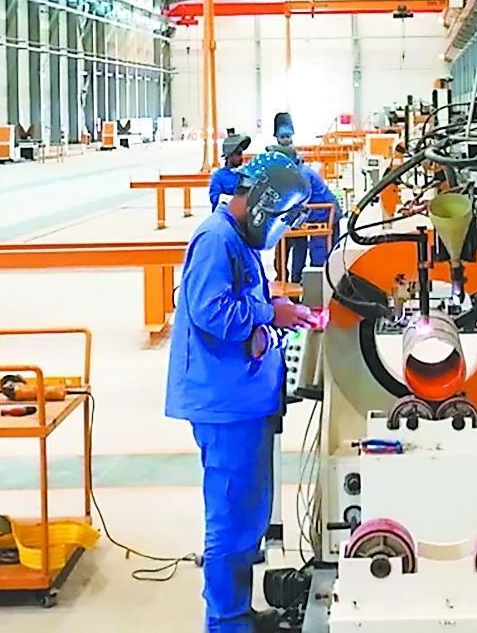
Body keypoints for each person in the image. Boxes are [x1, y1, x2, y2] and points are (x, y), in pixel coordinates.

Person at [166, 152, 315, 632]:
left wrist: (277, 309)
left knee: (248, 516)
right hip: (225, 404)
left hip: (245, 400)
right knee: (231, 520)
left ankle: (238, 612)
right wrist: (267, 317)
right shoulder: (217, 239)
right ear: (264, 205)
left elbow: (244, 301)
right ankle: (226, 621)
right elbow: (211, 311)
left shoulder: (239, 239)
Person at [207, 132, 251, 210]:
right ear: (229, 155)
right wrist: (232, 200)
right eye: (238, 154)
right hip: (225, 215)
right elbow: (214, 199)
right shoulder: (218, 176)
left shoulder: (246, 174)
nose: (241, 157)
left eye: (241, 153)